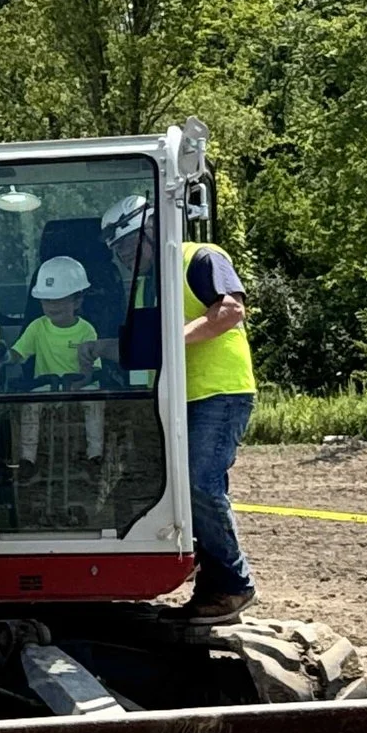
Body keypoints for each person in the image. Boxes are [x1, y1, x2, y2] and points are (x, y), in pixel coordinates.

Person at [100, 195, 258, 620]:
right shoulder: (153, 282)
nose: (129, 257)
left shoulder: (201, 257)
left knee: (199, 484)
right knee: (181, 491)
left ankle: (234, 584)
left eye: (133, 247)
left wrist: (173, 338)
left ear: (153, 229)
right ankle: (212, 587)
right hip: (180, 395)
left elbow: (230, 310)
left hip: (220, 391)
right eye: (121, 253)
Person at [10, 255, 100, 384]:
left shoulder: (87, 331)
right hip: (46, 392)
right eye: (47, 300)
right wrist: (2, 356)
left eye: (59, 300)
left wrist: (72, 390)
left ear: (77, 302)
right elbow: (17, 354)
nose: (52, 306)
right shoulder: (37, 327)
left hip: (81, 392)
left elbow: (88, 370)